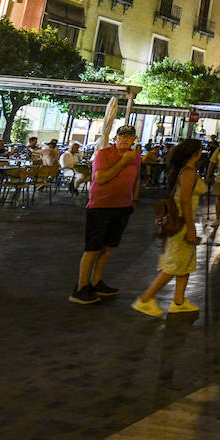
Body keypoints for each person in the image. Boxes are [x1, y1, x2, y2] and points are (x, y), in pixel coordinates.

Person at [70, 125, 142, 305]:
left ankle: (96, 281)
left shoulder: (135, 156)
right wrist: (123, 162)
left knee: (108, 246)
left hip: (123, 206)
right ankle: (81, 287)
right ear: (115, 138)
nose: (125, 140)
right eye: (122, 137)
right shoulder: (103, 154)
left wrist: (134, 199)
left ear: (134, 139)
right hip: (101, 206)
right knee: (93, 247)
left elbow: (136, 178)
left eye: (129, 137)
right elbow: (101, 178)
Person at [133, 139, 205, 317]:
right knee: (173, 265)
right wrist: (191, 228)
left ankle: (179, 301)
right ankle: (145, 299)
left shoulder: (185, 171)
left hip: (184, 221)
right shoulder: (188, 173)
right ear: (194, 153)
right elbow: (185, 202)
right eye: (200, 151)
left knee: (185, 263)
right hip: (181, 222)